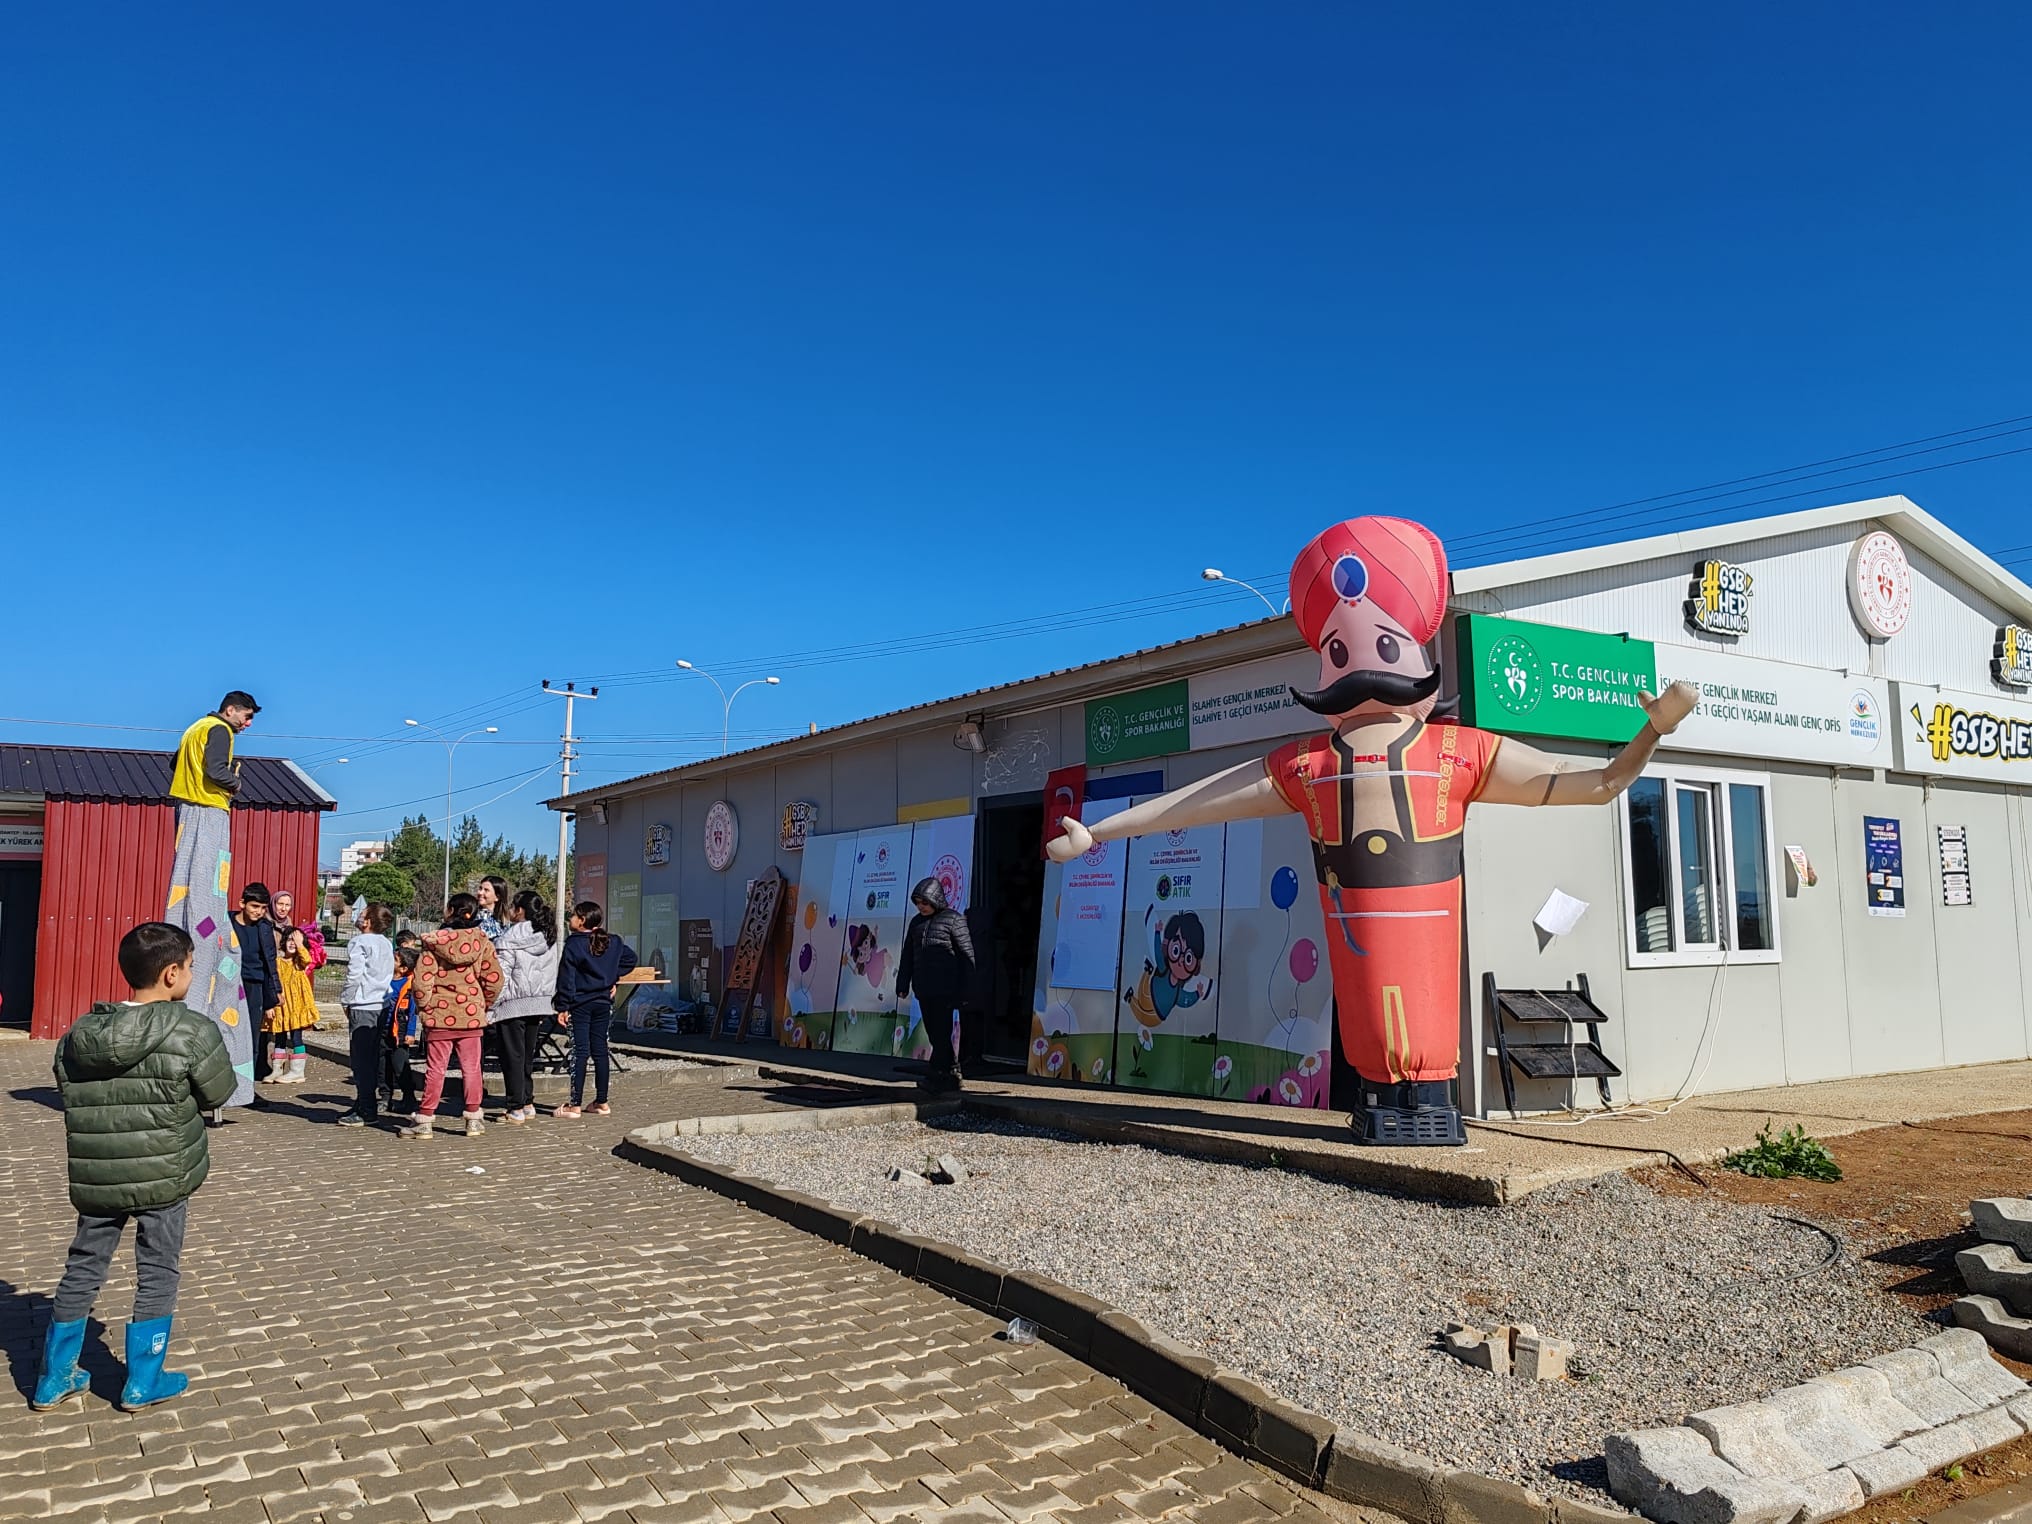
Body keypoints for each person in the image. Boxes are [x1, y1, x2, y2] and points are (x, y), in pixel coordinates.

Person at [1046, 514, 1697, 1145]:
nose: (1361, 665)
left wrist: (1651, 735)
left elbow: (1594, 783)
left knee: (1420, 1015)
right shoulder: (1311, 764)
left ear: (1416, 650)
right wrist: (1099, 832)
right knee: (1370, 1017)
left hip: (1425, 928)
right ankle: (1384, 1100)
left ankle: (1425, 1099)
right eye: (1340, 649)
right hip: (1354, 926)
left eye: (1385, 645)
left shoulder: (1457, 752)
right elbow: (1200, 801)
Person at [32, 923, 236, 1412]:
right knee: (158, 1270)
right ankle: (143, 1379)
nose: (189, 973)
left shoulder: (81, 1032)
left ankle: (54, 1377)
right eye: (188, 966)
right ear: (171, 974)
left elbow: (66, 1090)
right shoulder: (192, 1030)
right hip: (165, 1175)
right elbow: (219, 1093)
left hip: (98, 1176)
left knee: (82, 1267)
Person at [164, 690, 260, 1109]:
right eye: (247, 715)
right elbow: (215, 770)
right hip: (207, 809)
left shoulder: (194, 728)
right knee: (208, 889)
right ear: (231, 709)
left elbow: (175, 765)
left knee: (189, 888)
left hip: (185, 809)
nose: (248, 724)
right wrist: (235, 783)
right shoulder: (219, 729)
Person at [399, 893, 503, 1141]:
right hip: (471, 1016)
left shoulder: (433, 945)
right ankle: (474, 1118)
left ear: (451, 911)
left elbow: (422, 982)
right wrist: (483, 1003)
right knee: (472, 1068)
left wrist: (425, 1008)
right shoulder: (482, 943)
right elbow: (495, 979)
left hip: (440, 1016)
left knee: (436, 1069)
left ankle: (424, 1121)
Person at [552, 901, 636, 1119]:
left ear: (582, 920)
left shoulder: (574, 944)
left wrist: (562, 1006)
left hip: (580, 1004)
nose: (570, 918)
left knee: (580, 1051)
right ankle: (602, 1101)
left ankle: (574, 1104)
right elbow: (630, 959)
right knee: (600, 1050)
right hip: (603, 1003)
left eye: (573, 915)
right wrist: (612, 977)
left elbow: (566, 978)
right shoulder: (613, 941)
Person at [896, 878, 977, 1095]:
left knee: (941, 1032)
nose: (921, 906)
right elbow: (908, 955)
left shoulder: (953, 920)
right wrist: (902, 982)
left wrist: (968, 989)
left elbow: (967, 955)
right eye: (918, 902)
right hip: (924, 988)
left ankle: (940, 1074)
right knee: (934, 1032)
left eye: (925, 902)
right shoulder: (916, 923)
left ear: (936, 899)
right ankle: (951, 1071)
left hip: (946, 988)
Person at [492, 890, 561, 1125]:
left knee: (512, 1056)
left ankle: (515, 1107)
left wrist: (492, 1006)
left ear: (519, 910)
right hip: (539, 1002)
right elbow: (552, 971)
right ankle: (528, 1102)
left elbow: (500, 976)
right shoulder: (548, 935)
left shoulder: (509, 937)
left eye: (513, 906)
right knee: (527, 1056)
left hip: (512, 1003)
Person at [335, 904, 396, 1128]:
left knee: (361, 1060)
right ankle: (362, 1102)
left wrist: (346, 1000)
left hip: (363, 1003)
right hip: (382, 1003)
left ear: (368, 921)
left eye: (361, 914)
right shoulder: (387, 943)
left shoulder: (360, 942)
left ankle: (367, 1108)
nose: (357, 917)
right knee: (373, 1056)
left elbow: (354, 975)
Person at [265, 890, 323, 1085]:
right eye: (289, 940)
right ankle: (277, 1069)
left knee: (296, 1036)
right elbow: (273, 979)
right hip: (282, 1006)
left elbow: (307, 958)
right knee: (279, 1037)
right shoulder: (279, 961)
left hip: (297, 1006)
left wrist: (300, 944)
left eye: (294, 941)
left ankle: (297, 1071)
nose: (292, 944)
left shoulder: (299, 960)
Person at [230, 885, 280, 1098]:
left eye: (263, 907)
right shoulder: (227, 923)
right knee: (226, 1034)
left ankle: (246, 1088)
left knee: (252, 1038)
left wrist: (275, 991)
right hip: (231, 984)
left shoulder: (265, 927)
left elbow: (270, 960)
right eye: (254, 906)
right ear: (242, 903)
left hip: (255, 987)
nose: (259, 911)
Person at [382, 945, 423, 1116]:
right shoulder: (384, 979)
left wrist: (410, 1032)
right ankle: (384, 1098)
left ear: (403, 968)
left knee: (400, 1067)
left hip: (400, 1033)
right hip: (382, 1030)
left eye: (395, 959)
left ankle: (409, 1099)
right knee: (382, 1067)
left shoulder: (409, 985)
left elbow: (412, 1011)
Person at [476, 876, 511, 943]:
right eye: (480, 888)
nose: (480, 893)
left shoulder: (505, 922)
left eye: (486, 890)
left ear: (497, 897)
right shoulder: (472, 916)